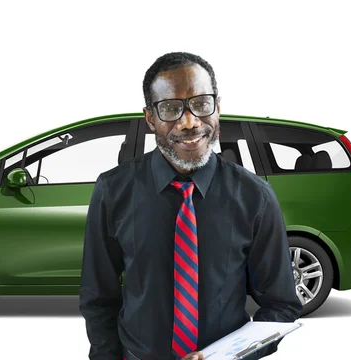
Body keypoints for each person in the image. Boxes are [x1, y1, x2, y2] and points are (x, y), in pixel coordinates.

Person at [79, 52, 302, 360]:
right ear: (149, 117)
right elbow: (98, 299)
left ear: (218, 108)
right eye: (171, 108)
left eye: (201, 104)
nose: (189, 122)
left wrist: (229, 355)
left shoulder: (255, 197)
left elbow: (281, 305)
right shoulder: (113, 190)